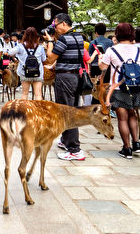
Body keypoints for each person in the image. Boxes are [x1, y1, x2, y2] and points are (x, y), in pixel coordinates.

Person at [44, 13, 86, 160]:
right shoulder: (79, 37)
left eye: (56, 25)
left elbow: (50, 57)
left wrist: (50, 41)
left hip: (65, 78)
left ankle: (75, 149)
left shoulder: (63, 39)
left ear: (63, 23)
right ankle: (65, 140)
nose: (55, 28)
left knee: (65, 112)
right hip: (76, 77)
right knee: (72, 109)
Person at [100, 23, 140, 158]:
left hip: (119, 89)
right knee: (133, 115)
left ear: (117, 34)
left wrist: (100, 59)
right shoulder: (138, 50)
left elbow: (103, 67)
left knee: (122, 119)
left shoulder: (112, 50)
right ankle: (136, 143)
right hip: (136, 88)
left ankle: (127, 148)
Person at [6, 27, 46, 100]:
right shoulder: (40, 47)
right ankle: (38, 111)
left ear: (25, 35)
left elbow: (10, 53)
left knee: (25, 93)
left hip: (25, 72)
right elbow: (44, 59)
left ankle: (24, 111)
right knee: (38, 94)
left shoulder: (20, 47)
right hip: (37, 73)